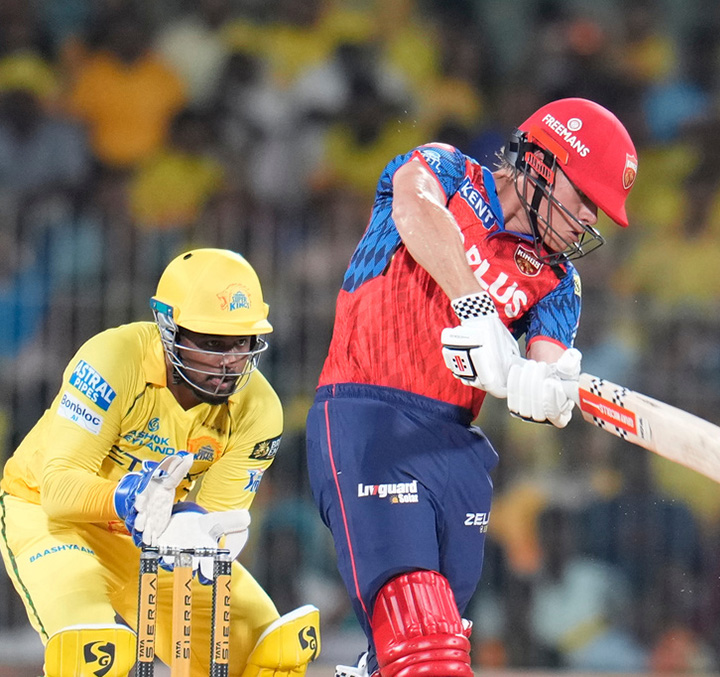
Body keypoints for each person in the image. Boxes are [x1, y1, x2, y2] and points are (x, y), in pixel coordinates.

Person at [305, 97, 638, 677]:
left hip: (456, 449)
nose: (589, 219)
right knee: (423, 643)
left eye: (599, 211)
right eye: (585, 197)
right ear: (541, 162)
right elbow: (414, 207)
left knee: (419, 653)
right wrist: (475, 305)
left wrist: (548, 389)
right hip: (369, 419)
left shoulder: (560, 281)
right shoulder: (448, 170)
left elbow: (546, 361)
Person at [0, 248, 321, 677]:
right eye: (211, 343)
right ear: (168, 329)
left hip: (153, 533)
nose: (229, 363)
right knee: (92, 652)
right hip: (48, 516)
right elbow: (58, 489)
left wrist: (199, 529)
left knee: (273, 652)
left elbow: (217, 524)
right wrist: (131, 496)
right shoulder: (113, 358)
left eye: (241, 343)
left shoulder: (259, 409)